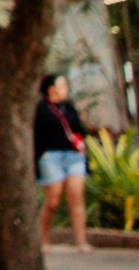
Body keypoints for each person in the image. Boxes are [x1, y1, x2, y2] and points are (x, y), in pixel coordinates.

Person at [35, 72, 92, 251]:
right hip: (51, 158)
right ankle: (43, 239)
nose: (66, 88)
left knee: (76, 197)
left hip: (73, 156)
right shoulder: (41, 109)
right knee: (53, 201)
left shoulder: (70, 107)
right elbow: (36, 136)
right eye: (63, 85)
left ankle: (81, 242)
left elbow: (79, 130)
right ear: (52, 89)